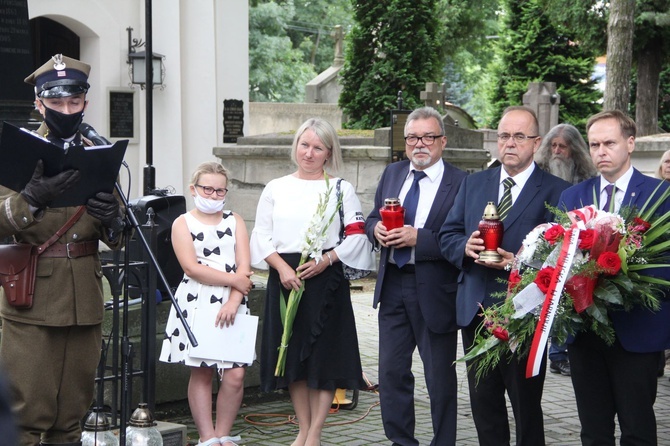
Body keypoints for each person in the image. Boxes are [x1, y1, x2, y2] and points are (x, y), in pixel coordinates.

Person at [0, 54, 125, 446]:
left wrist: (114, 220)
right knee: (26, 418)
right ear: (39, 103)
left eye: (74, 102)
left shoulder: (98, 151)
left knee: (71, 420)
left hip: (83, 300)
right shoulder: (15, 151)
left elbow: (119, 235)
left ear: (85, 103)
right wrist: (31, 200)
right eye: (56, 103)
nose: (66, 110)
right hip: (32, 302)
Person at [439, 106, 570, 446]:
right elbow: (448, 234)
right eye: (503, 136)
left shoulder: (557, 191)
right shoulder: (474, 183)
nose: (510, 143)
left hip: (524, 316)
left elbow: (563, 256)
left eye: (519, 137)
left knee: (526, 407)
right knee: (485, 407)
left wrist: (518, 264)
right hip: (477, 311)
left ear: (536, 142)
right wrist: (464, 247)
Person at [250, 118, 374, 446]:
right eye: (304, 145)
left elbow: (357, 236)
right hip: (286, 278)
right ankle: (302, 429)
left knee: (324, 359)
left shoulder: (340, 189)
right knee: (293, 357)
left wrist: (327, 260)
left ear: (328, 152)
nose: (309, 153)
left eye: (317, 147)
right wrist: (280, 268)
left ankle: (315, 433)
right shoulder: (275, 187)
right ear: (296, 147)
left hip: (325, 280)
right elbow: (261, 235)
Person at [558, 110, 670, 445]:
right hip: (585, 333)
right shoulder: (572, 196)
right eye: (594, 144)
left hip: (637, 332)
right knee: (593, 431)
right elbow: (558, 258)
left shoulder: (660, 195)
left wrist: (623, 276)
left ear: (630, 143)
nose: (601, 151)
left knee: (637, 430)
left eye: (609, 143)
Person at [364, 106, 466, 446]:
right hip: (392, 284)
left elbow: (463, 239)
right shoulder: (393, 173)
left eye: (427, 137)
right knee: (391, 374)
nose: (419, 144)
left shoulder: (461, 182)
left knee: (439, 379)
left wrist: (417, 238)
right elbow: (370, 217)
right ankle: (401, 441)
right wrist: (375, 227)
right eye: (412, 138)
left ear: (442, 141)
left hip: (435, 290)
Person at [159, 162, 253, 446]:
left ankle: (223, 434)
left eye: (219, 190)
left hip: (234, 301)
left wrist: (234, 299)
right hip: (196, 301)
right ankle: (207, 437)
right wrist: (234, 280)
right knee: (202, 370)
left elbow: (244, 267)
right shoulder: (181, 223)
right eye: (207, 189)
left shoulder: (235, 220)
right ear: (194, 189)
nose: (213, 195)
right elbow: (191, 267)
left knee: (236, 373)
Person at [535, 123, 597, 377]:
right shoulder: (539, 173)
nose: (558, 151)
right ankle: (553, 352)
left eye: (564, 146)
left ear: (575, 150)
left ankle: (560, 352)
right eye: (554, 146)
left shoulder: (586, 179)